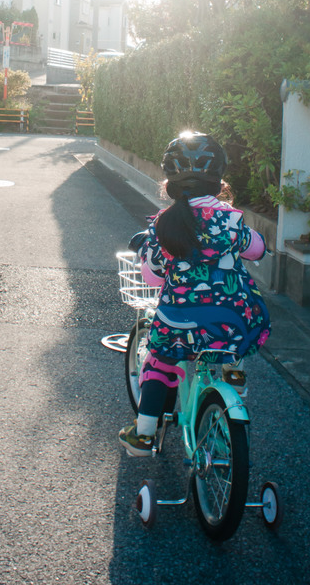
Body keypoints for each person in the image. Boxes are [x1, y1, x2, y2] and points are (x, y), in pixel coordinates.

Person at [118, 130, 271, 458]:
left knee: (160, 358)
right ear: (219, 179)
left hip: (180, 324)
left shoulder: (164, 224)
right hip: (233, 323)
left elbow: (154, 276)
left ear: (170, 181)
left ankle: (144, 434)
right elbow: (257, 251)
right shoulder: (232, 221)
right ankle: (233, 369)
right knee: (239, 310)